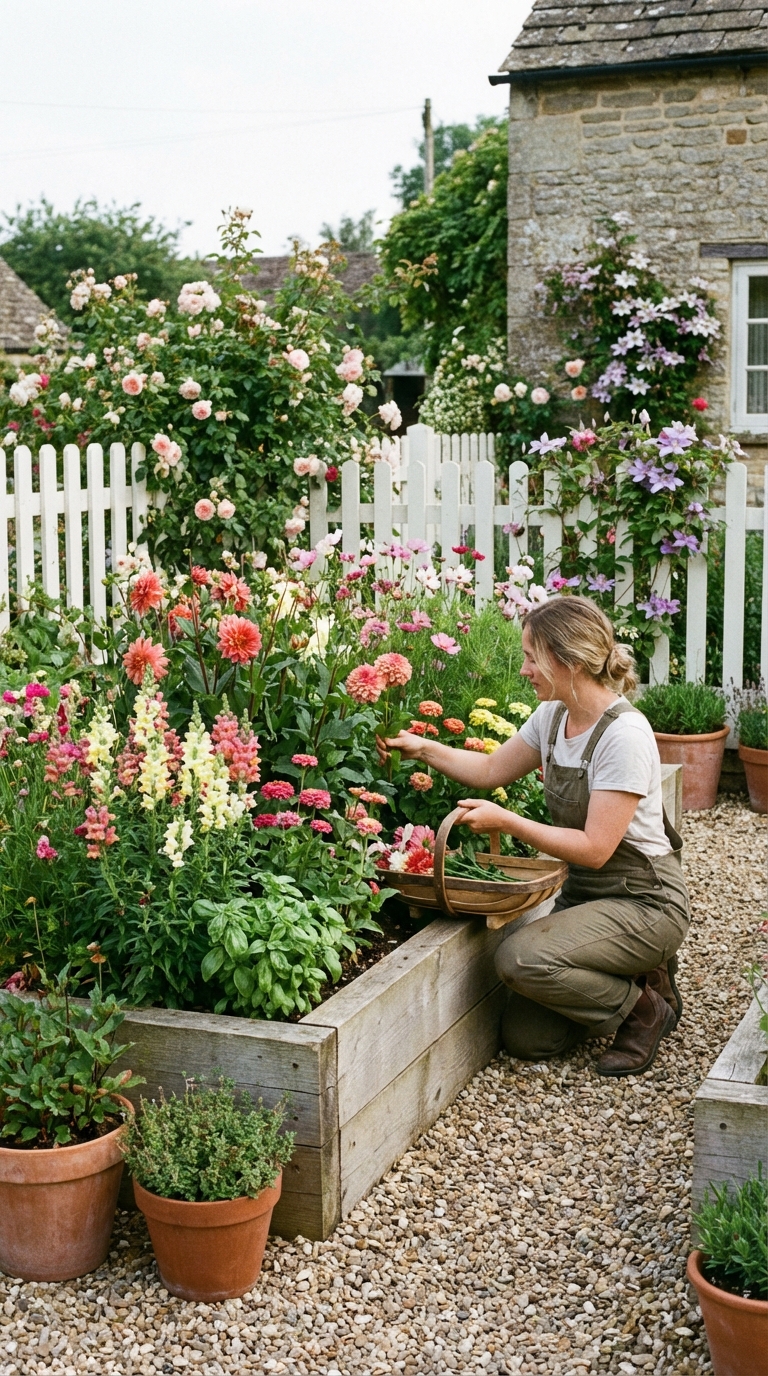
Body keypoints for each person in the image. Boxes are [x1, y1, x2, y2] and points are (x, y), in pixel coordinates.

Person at [377, 596, 689, 1077]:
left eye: (530, 656)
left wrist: (508, 822)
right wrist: (422, 748)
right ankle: (631, 973)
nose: (524, 669)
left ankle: (644, 1008)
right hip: (586, 898)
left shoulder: (623, 735)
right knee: (529, 1039)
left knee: (520, 959)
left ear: (566, 660)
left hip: (644, 901)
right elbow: (488, 769)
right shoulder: (553, 717)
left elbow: (596, 849)